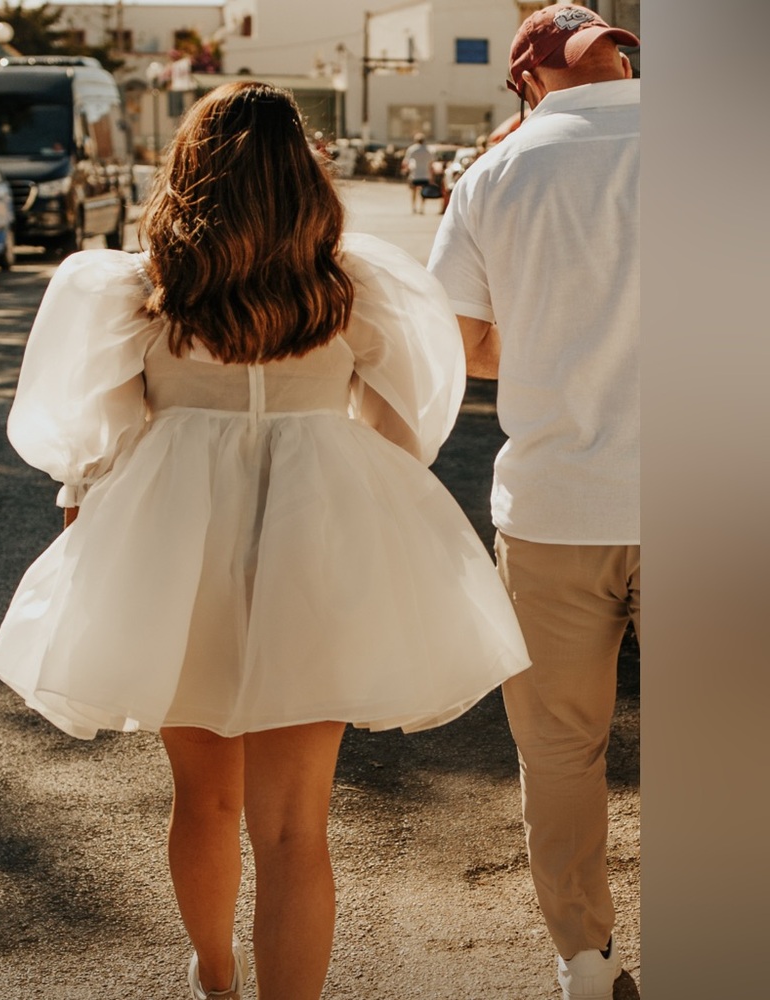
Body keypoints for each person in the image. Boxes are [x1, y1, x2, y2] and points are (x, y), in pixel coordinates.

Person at [0, 81, 530, 1000]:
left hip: (174, 553)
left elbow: (92, 441)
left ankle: (215, 976)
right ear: (303, 177)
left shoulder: (145, 290)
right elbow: (405, 433)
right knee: (293, 827)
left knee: (204, 799)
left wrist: (87, 526)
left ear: (193, 170)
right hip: (318, 548)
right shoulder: (351, 288)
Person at [426, 7, 640, 1000]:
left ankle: (585, 963)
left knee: (558, 751)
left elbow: (461, 345)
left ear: (530, 80)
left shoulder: (493, 174)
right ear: (621, 62)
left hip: (554, 508)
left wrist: (553, 341)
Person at [399, 131, 435, 214]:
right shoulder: (429, 150)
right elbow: (431, 163)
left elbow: (406, 161)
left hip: (415, 174)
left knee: (413, 191)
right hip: (425, 174)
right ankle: (422, 208)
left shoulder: (412, 149)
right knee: (424, 192)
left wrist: (406, 171)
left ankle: (414, 207)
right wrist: (431, 175)